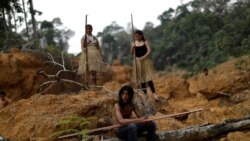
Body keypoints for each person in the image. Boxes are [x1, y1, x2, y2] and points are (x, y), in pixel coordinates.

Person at [130, 30, 159, 101]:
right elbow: (131, 53)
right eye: (135, 36)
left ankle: (154, 93)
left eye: (138, 36)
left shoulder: (145, 42)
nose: (136, 37)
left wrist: (144, 57)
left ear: (141, 35)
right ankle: (145, 95)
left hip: (145, 61)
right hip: (137, 61)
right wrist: (132, 47)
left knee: (148, 78)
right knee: (141, 79)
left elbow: (149, 51)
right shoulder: (133, 43)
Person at [78, 24, 103, 89]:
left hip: (95, 55)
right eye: (87, 29)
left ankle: (94, 86)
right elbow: (82, 48)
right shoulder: (83, 37)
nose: (88, 30)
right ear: (85, 30)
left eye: (90, 29)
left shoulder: (95, 37)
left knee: (94, 71)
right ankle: (91, 86)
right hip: (88, 55)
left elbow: (98, 47)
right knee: (90, 71)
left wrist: (100, 55)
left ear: (92, 29)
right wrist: (85, 46)